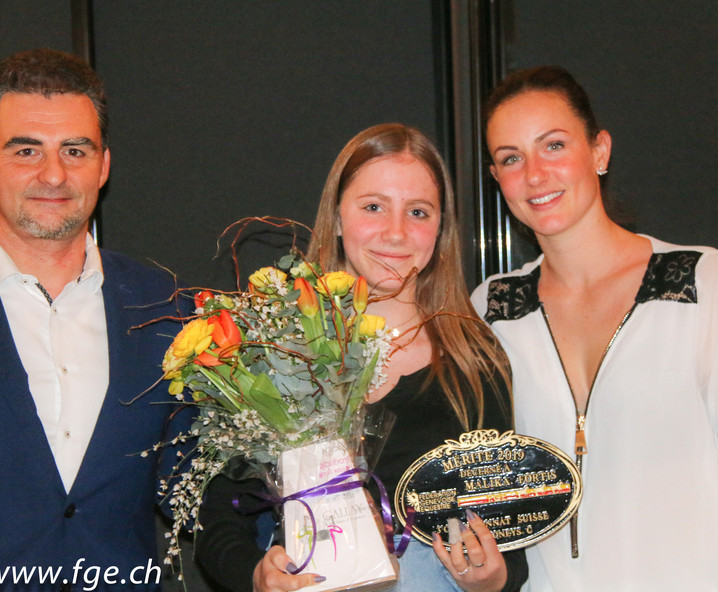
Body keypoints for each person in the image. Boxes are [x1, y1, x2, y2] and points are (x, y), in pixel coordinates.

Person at [471, 65, 718, 591]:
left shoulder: (700, 281)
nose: (534, 174)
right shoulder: (493, 308)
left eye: (554, 145)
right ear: (497, 178)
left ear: (599, 151)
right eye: (511, 158)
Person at [195, 124, 528, 592]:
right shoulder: (276, 350)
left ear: (441, 229)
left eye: (418, 212)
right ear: (336, 218)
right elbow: (216, 521)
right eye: (373, 207)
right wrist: (256, 574)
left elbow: (513, 548)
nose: (396, 231)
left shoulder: (475, 362)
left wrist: (489, 579)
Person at [0, 49, 189, 591]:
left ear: (103, 166)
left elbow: (205, 482)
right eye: (26, 150)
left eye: (75, 150)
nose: (54, 174)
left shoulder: (167, 307)